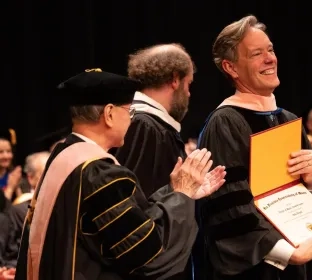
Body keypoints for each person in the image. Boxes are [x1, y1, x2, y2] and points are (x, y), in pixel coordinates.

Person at [15, 69, 226, 280]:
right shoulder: (99, 172)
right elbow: (146, 254)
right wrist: (181, 198)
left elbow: (125, 224)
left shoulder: (63, 157)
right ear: (109, 114)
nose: (131, 120)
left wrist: (175, 192)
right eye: (130, 112)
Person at [195, 15, 312, 280]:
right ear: (231, 68)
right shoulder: (225, 122)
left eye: (270, 50)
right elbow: (228, 208)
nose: (270, 59)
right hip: (256, 269)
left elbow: (310, 197)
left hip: (301, 261)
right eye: (257, 53)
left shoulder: (288, 119)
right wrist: (287, 253)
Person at [114, 43, 195, 198]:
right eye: (188, 84)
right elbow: (136, 202)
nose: (189, 93)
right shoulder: (144, 126)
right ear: (175, 79)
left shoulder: (147, 123)